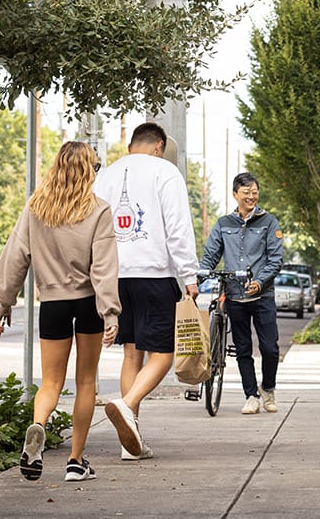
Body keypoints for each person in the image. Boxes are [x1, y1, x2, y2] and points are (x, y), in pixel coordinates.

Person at [0, 141, 120, 482]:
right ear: (87, 171)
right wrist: (110, 312)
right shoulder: (99, 210)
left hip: (52, 303)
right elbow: (104, 268)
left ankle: (38, 427)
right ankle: (76, 462)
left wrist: (6, 300)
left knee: (50, 381)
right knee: (86, 382)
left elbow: (16, 255)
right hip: (89, 302)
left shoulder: (36, 208)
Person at [92, 122, 199, 460]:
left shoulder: (105, 175)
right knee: (164, 353)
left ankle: (130, 442)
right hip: (155, 273)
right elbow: (178, 226)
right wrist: (189, 274)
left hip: (114, 276)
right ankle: (126, 404)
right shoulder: (165, 172)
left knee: (131, 353)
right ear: (159, 146)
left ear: (131, 146)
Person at [199, 172, 284, 415]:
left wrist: (259, 281)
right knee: (243, 348)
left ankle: (268, 388)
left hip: (262, 295)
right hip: (234, 295)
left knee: (270, 348)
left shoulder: (269, 222)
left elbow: (275, 260)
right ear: (235, 194)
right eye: (246, 192)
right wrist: (198, 276)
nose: (251, 196)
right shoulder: (224, 223)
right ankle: (251, 395)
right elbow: (211, 255)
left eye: (254, 192)